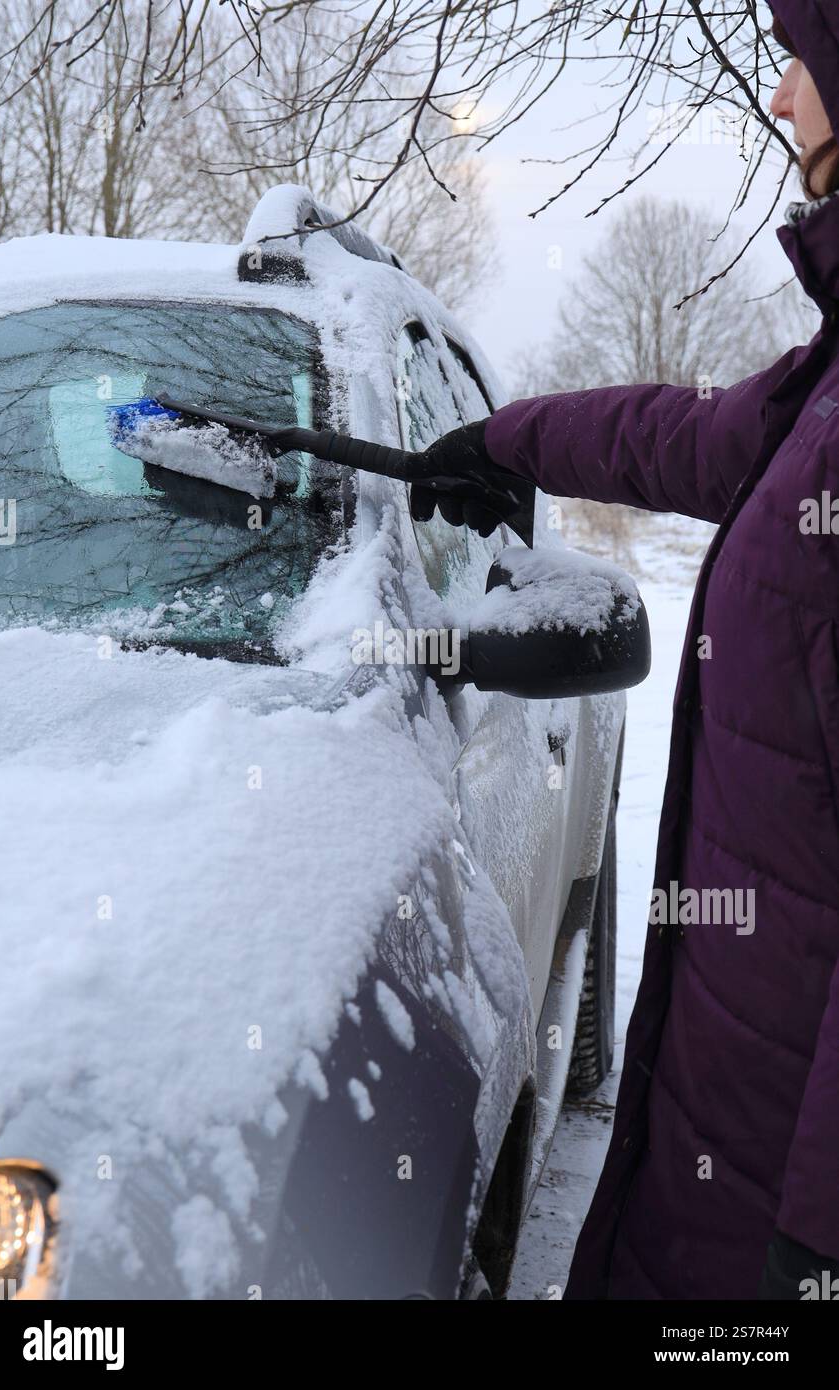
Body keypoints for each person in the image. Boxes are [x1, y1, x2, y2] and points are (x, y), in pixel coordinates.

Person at [411, 2, 839, 1300]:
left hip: (780, 1199)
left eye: (800, 60)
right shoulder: (824, 386)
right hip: (734, 1108)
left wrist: (813, 1241)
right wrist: (502, 441)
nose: (776, 96)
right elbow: (687, 437)